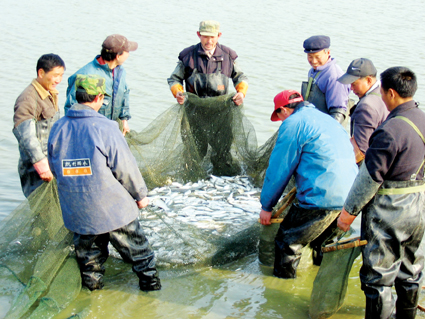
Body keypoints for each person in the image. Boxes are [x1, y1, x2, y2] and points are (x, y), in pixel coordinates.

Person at [48, 74, 161, 291]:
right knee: (141, 257)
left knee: (90, 264)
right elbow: (125, 168)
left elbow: (54, 169)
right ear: (99, 97)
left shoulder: (58, 127)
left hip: (79, 214)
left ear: (76, 96)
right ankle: (151, 295)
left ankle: (94, 302)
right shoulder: (106, 127)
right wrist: (141, 195)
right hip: (114, 211)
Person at [337, 67, 425, 319]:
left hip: (390, 212)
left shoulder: (389, 130)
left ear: (391, 93)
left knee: (378, 277)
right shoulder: (422, 119)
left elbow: (369, 178)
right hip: (418, 207)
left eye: (383, 92)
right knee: (411, 270)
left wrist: (348, 212)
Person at [259, 90, 357, 278]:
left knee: (287, 241)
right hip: (350, 198)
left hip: (321, 197)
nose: (280, 121)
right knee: (323, 244)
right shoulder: (327, 119)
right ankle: (316, 281)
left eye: (278, 116)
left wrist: (267, 205)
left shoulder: (293, 123)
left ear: (283, 110)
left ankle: (282, 293)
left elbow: (279, 168)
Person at [167, 20, 248, 176]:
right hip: (194, 112)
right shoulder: (187, 56)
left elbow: (241, 77)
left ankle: (222, 173)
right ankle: (192, 173)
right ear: (198, 35)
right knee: (195, 148)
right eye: (205, 37)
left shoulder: (228, 55)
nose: (209, 41)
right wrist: (178, 91)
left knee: (222, 148)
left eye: (212, 37)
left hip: (221, 113)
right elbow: (174, 79)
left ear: (219, 36)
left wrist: (241, 93)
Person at [13, 53, 65, 197]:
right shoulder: (28, 98)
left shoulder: (49, 94)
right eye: (55, 75)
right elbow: (26, 137)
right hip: (36, 171)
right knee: (43, 216)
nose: (59, 80)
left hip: (51, 164)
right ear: (41, 73)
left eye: (61, 75)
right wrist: (42, 166)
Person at [64, 34, 138, 136]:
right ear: (118, 56)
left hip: (112, 129)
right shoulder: (86, 75)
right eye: (128, 51)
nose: (129, 54)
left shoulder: (120, 70)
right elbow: (71, 108)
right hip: (91, 132)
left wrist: (124, 119)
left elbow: (125, 93)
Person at [338, 58, 389, 164]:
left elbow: (361, 151)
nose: (351, 88)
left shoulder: (366, 106)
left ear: (369, 80)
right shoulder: (385, 93)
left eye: (354, 83)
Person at [301, 35, 350, 123]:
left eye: (317, 57)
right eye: (310, 57)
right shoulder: (313, 71)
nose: (314, 61)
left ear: (328, 52)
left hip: (324, 128)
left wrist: (327, 133)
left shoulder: (334, 76)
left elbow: (338, 112)